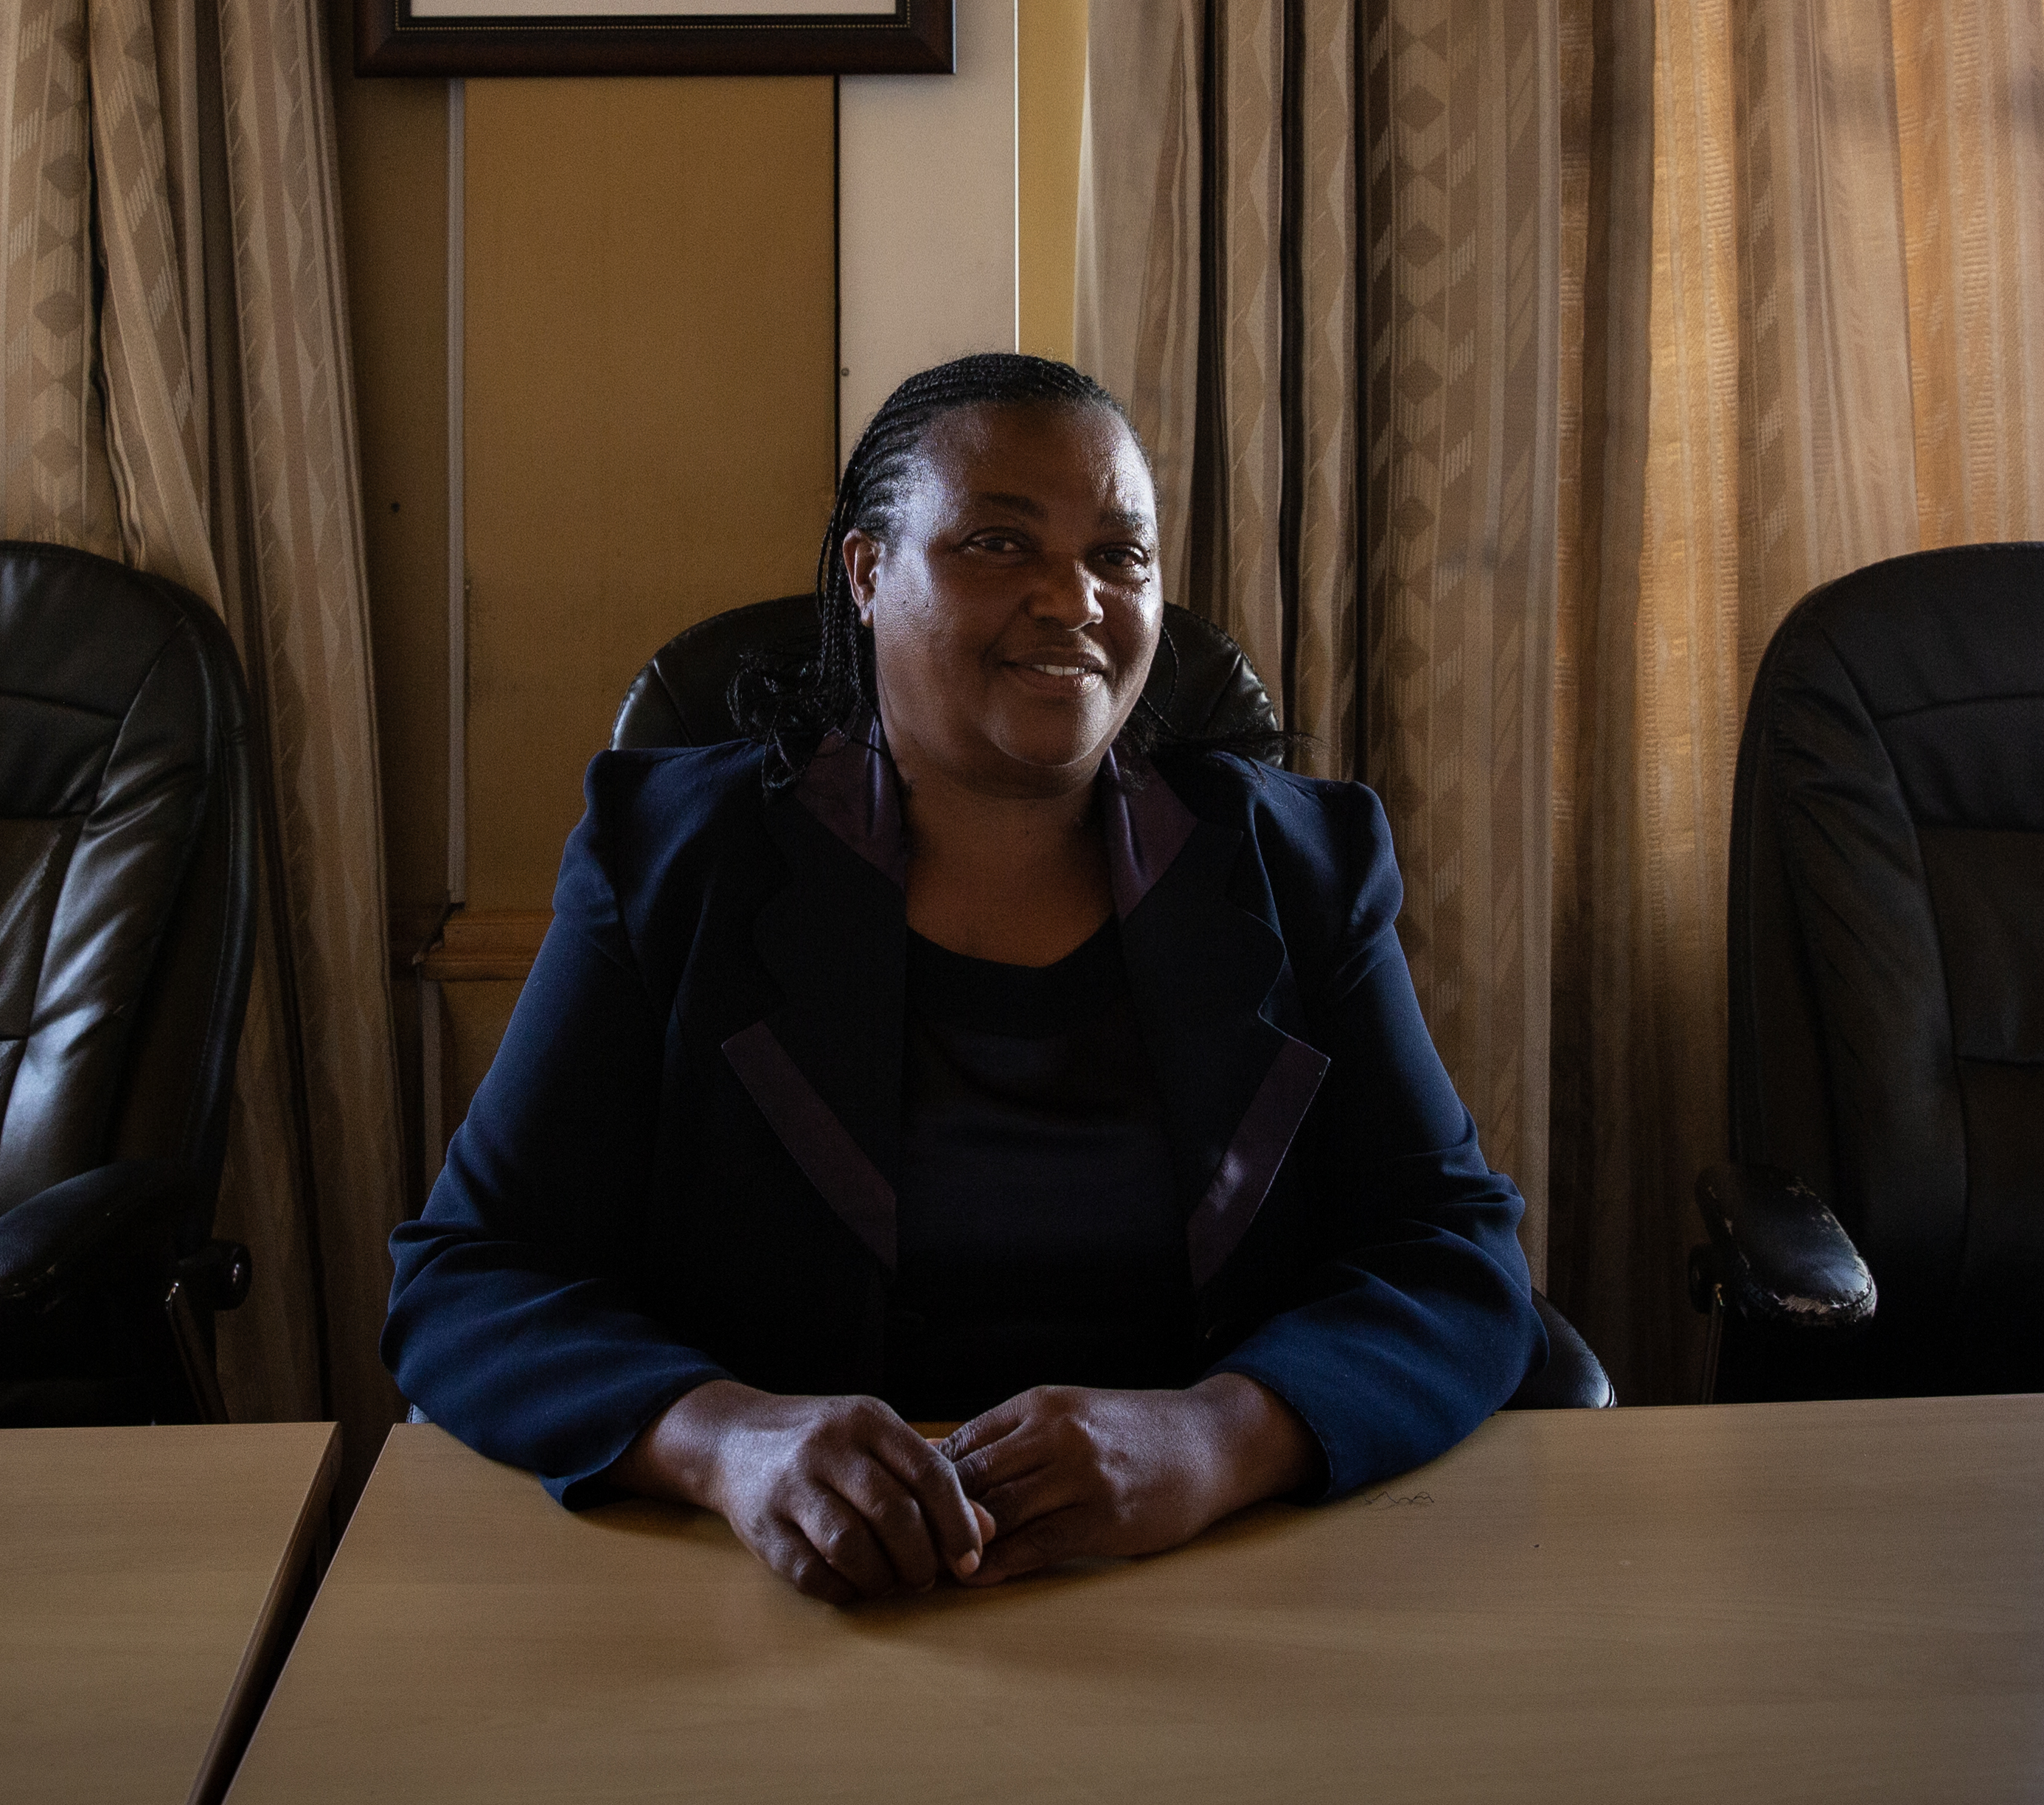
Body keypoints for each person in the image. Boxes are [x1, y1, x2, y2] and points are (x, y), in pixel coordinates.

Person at [385, 354, 1537, 1604]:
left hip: (1209, 1575)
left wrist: (1222, 1437)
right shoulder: (672, 857)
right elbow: (470, 1275)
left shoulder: (1301, 865)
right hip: (779, 1591)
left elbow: (1452, 1255)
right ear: (869, 574)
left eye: (1119, 555)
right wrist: (724, 1441)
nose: (1074, 599)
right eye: (998, 543)